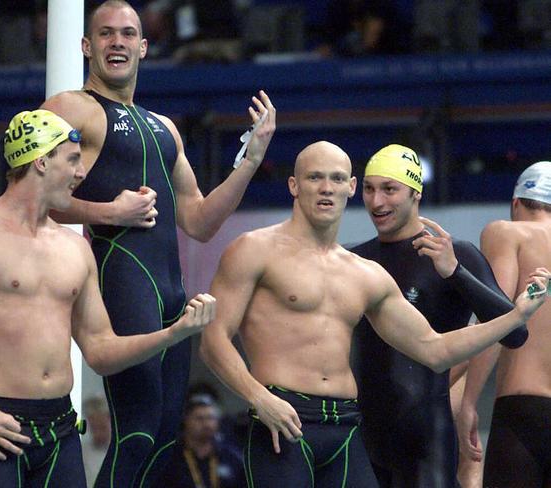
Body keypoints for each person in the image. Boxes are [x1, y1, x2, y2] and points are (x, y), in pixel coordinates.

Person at [199, 140, 548, 488]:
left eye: (337, 179)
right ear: (293, 184)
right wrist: (259, 397)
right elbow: (213, 340)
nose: (326, 189)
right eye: (315, 178)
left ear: (349, 187)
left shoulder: (364, 273)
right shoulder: (254, 249)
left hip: (352, 429)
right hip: (287, 419)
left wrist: (515, 315)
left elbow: (435, 349)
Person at [0, 109, 216, 488]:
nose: (82, 173)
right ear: (40, 160)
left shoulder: (75, 247)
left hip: (61, 431)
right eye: (72, 160)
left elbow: (100, 350)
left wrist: (174, 334)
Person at [40, 1, 275, 486]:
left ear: (145, 48)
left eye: (128, 34)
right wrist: (109, 212)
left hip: (172, 294)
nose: (117, 42)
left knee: (166, 437)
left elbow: (200, 221)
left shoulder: (164, 128)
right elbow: (29, 193)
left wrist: (249, 161)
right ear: (87, 46)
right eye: (105, 34)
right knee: (139, 432)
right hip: (123, 282)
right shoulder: (71, 107)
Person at [348, 143, 528, 487]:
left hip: (426, 439)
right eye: (369, 189)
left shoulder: (454, 254)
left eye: (389, 189)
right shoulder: (356, 262)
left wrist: (454, 271)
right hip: (361, 440)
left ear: (415, 192)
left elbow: (514, 333)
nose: (376, 201)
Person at [457, 161, 551, 487]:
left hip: (524, 411)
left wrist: (468, 402)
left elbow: (496, 318)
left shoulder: (508, 233)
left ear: (515, 203)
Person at [154, 393, 245, 488]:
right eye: (199, 418)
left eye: (211, 418)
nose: (207, 424)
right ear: (186, 420)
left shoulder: (231, 456)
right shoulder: (169, 456)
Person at [81, 395, 111, 487]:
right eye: (94, 428)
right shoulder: (81, 454)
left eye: (102, 427)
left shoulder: (126, 450)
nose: (98, 434)